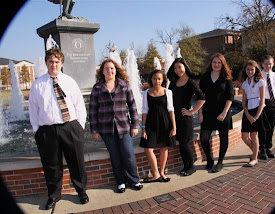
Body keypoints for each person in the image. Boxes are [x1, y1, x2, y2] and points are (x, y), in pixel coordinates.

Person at [29, 48, 89, 210]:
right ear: (46, 63)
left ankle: (81, 191)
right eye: (51, 61)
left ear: (61, 63)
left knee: (76, 162)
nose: (53, 64)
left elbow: (79, 105)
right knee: (51, 165)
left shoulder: (69, 81)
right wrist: (37, 130)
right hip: (47, 131)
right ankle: (54, 195)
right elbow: (33, 109)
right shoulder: (38, 84)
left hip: (70, 127)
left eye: (57, 62)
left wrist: (80, 125)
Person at [89, 59, 143, 193]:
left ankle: (134, 180)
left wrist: (135, 125)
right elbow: (93, 110)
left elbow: (132, 106)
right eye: (106, 69)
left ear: (116, 70)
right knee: (115, 156)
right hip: (106, 129)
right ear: (102, 71)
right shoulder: (97, 88)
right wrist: (94, 130)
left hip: (124, 127)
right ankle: (121, 182)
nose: (109, 71)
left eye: (112, 68)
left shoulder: (124, 85)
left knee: (128, 154)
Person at [167, 58, 205, 176]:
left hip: (185, 117)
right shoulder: (173, 82)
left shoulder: (191, 82)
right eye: (175, 68)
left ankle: (191, 167)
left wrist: (192, 111)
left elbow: (202, 98)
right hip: (175, 117)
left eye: (179, 67)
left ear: (185, 67)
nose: (177, 70)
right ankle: (185, 166)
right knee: (181, 142)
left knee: (184, 143)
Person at [198, 53, 234, 173]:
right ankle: (209, 159)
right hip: (208, 112)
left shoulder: (227, 78)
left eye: (219, 62)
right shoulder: (205, 77)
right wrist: (199, 113)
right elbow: (200, 96)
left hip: (223, 112)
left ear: (222, 64)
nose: (216, 64)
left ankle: (220, 162)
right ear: (211, 63)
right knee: (204, 137)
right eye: (214, 62)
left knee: (224, 137)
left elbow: (230, 97)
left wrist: (224, 113)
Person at [140, 70, 176, 183]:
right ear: (151, 79)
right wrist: (143, 128)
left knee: (164, 147)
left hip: (165, 122)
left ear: (163, 80)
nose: (157, 81)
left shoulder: (168, 92)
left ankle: (162, 172)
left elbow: (171, 110)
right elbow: (144, 111)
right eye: (155, 78)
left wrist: (174, 127)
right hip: (151, 123)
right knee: (148, 148)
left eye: (159, 79)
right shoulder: (146, 93)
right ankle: (155, 173)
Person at [258, 55, 275, 160]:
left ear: (273, 64)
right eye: (266, 64)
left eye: (270, 63)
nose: (268, 66)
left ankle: (268, 148)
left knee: (271, 127)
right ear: (262, 64)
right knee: (263, 128)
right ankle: (262, 149)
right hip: (262, 103)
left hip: (273, 103)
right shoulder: (259, 76)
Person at [240, 60, 266, 167]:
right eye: (248, 69)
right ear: (245, 70)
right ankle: (256, 152)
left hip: (257, 109)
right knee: (244, 136)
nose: (250, 71)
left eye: (252, 69)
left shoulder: (260, 81)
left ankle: (254, 158)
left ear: (255, 70)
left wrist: (256, 116)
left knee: (254, 135)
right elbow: (244, 100)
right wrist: (247, 114)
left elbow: (262, 100)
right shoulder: (245, 83)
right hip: (248, 110)